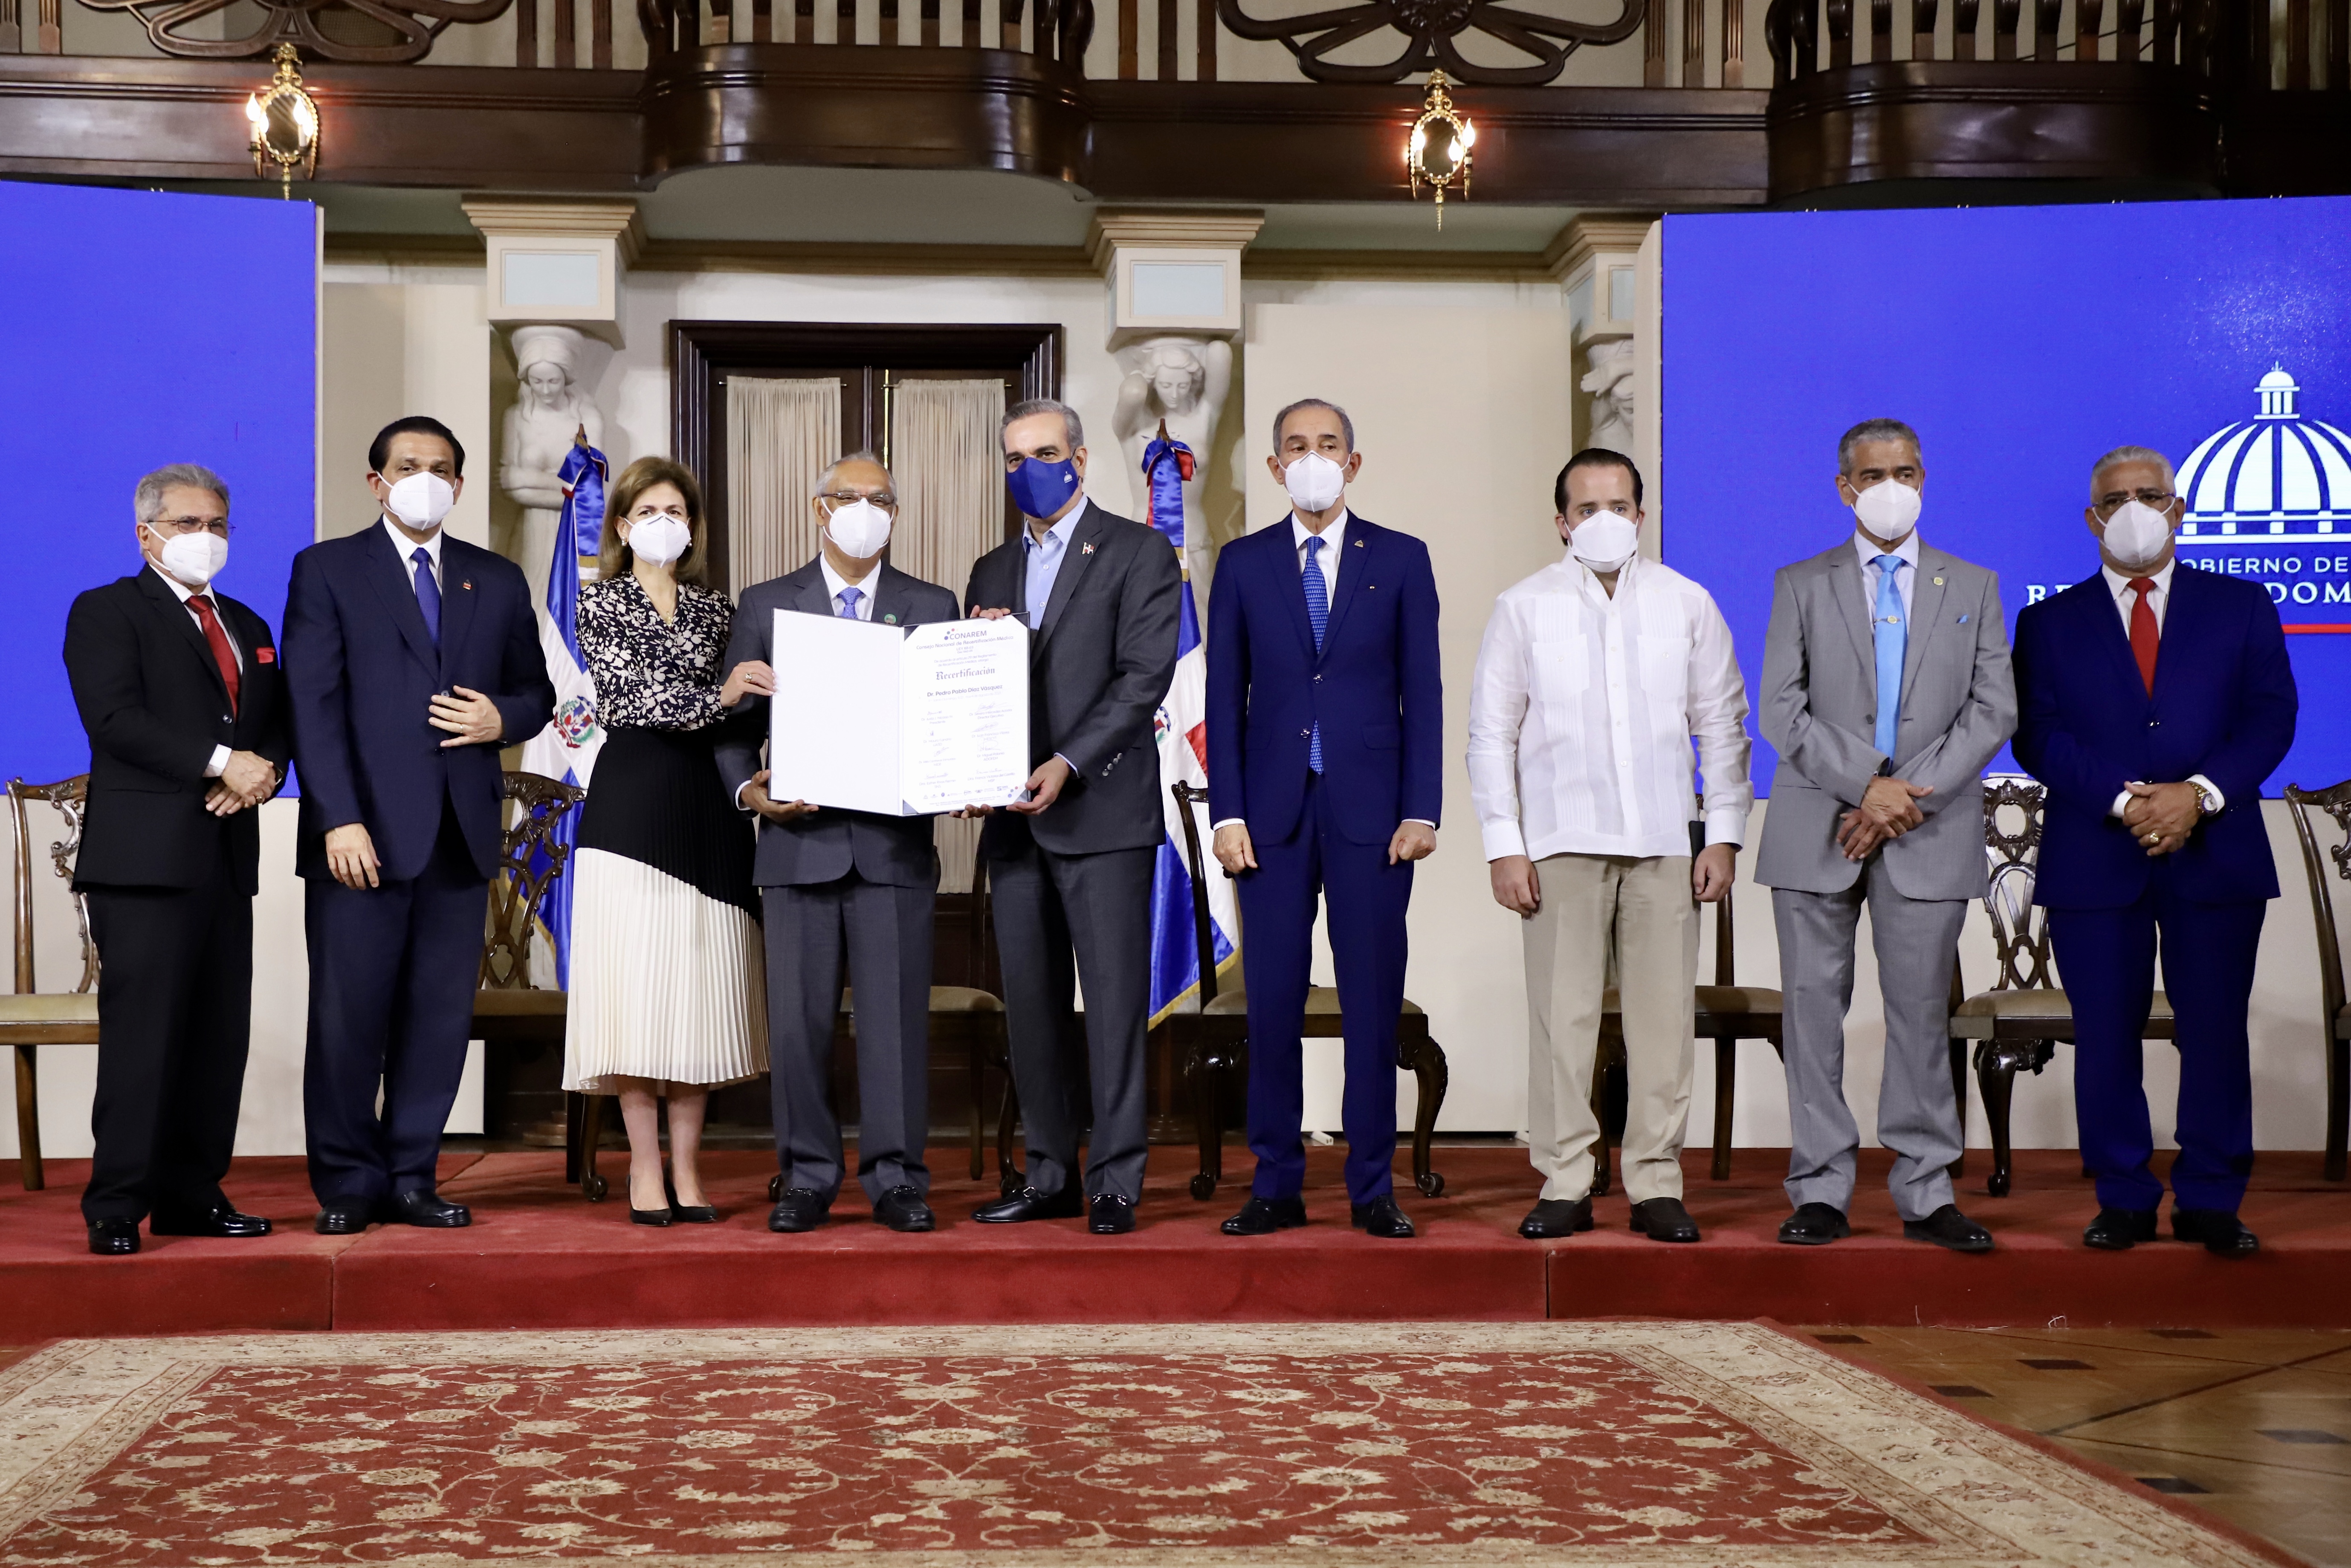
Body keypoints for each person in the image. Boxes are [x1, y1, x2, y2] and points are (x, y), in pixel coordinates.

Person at [2012, 446, 2296, 1257]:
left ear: (2178, 509)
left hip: (2216, 852)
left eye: (2149, 494)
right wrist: (2125, 801)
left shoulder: (2241, 605)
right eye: (2115, 499)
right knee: (2104, 1035)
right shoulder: (2047, 622)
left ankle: (2210, 1197)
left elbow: (2271, 716)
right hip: (2095, 855)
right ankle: (2123, 1195)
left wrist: (2196, 795)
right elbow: (2036, 734)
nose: (2132, 509)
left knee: (2215, 1031)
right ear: (2091, 518)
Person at [1468, 448, 1752, 1245]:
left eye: (1618, 507)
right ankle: (1565, 1179)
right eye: (1586, 508)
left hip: (1664, 841)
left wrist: (1722, 833)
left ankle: (1655, 1182)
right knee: (1562, 1023)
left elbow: (1721, 725)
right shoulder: (1522, 606)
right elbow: (1490, 734)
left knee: (1663, 1024)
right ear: (1561, 522)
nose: (1604, 520)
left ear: (1640, 516)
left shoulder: (1687, 602)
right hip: (1558, 843)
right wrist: (1503, 844)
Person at [283, 415, 555, 1235]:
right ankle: (347, 1183)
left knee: (436, 1023)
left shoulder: (495, 579)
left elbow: (536, 694)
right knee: (348, 1020)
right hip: (359, 838)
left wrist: (500, 718)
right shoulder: (328, 569)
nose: (424, 479)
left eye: (440, 467)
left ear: (460, 485)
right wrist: (338, 819)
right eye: (408, 466)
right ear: (377, 482)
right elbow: (312, 706)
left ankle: (411, 1177)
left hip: (459, 837)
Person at [1755, 417, 2015, 1253]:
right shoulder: (1801, 582)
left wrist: (1899, 801)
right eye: (1873, 475)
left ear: (1923, 479)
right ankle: (1819, 1188)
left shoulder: (1973, 584)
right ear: (1845, 488)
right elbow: (1780, 708)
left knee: (1920, 1017)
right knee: (1811, 1014)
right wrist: (1864, 786)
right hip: (1816, 825)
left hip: (1926, 830)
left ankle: (1926, 1189)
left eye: (1905, 472)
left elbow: (1992, 710)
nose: (1891, 488)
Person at [1204, 397, 1441, 1240]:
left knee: (1372, 1003)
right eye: (1297, 446)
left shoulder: (1402, 558)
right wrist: (1227, 812)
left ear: (1353, 462)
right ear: (1276, 467)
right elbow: (1222, 697)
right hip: (1268, 815)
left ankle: (1371, 1186)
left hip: (1374, 816)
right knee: (1271, 1004)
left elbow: (1423, 690)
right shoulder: (1242, 563)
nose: (1314, 457)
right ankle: (1276, 1182)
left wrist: (1423, 807)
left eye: (1329, 444)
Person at [715, 453, 959, 1235]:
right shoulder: (764, 604)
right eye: (848, 497)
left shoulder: (934, 604)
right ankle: (806, 1176)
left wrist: (966, 769)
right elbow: (733, 728)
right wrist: (750, 792)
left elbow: (949, 720)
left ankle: (897, 1179)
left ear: (897, 512)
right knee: (797, 1026)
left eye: (879, 498)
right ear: (818, 508)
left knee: (895, 1025)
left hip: (894, 851)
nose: (864, 509)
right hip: (797, 846)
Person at [960, 397, 1181, 1235]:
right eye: (1014, 458)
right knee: (1032, 1010)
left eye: (1045, 454)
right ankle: (1049, 1173)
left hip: (1103, 814)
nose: (1030, 470)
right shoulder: (989, 570)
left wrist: (1067, 761)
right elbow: (975, 688)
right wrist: (970, 768)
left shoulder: (1138, 550)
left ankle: (1115, 1180)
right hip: (1015, 823)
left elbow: (1142, 678)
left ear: (1081, 460)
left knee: (1114, 1007)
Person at [62, 464, 290, 1256]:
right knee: (144, 1039)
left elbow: (276, 722)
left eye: (218, 525)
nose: (206, 537)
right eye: (189, 523)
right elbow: (114, 720)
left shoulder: (248, 622)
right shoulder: (106, 611)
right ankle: (117, 1204)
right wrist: (222, 761)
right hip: (144, 863)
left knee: (217, 1037)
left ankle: (194, 1195)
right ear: (146, 533)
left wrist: (261, 770)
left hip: (226, 856)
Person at [563, 457, 767, 1226]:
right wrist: (721, 695)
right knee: (636, 992)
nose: (663, 522)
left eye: (675, 511)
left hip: (709, 806)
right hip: (632, 807)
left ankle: (687, 1166)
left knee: (695, 993)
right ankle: (643, 1167)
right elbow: (630, 699)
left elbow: (744, 710)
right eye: (647, 510)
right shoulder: (599, 600)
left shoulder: (718, 609)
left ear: (693, 525)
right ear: (621, 525)